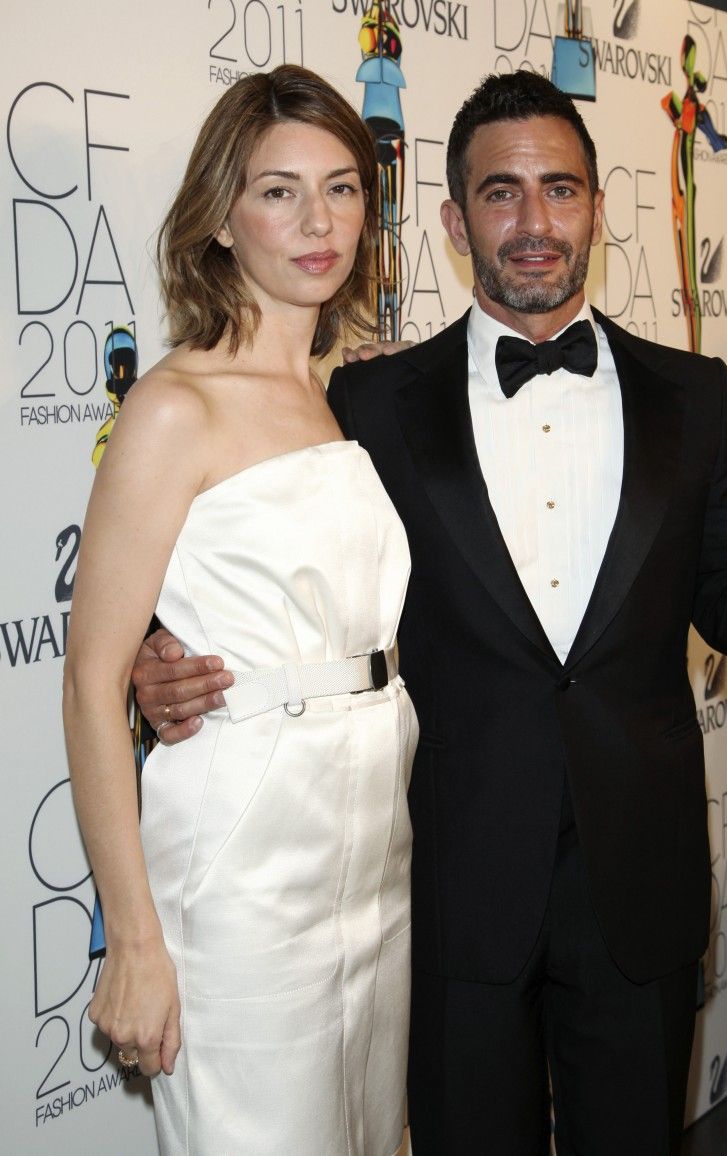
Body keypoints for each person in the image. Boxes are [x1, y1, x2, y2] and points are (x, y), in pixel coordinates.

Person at [134, 72, 727, 1154]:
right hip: (448, 886)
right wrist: (159, 661)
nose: (534, 221)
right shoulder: (365, 402)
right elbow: (266, 562)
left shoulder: (691, 396)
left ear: (599, 206)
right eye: (500, 194)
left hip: (636, 886)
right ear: (455, 222)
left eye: (560, 188)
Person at [63, 65, 417, 1156]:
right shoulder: (174, 405)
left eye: (343, 187)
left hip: (370, 857)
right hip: (241, 857)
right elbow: (89, 679)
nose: (319, 221)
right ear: (220, 217)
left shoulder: (344, 394)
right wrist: (133, 938)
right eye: (277, 191)